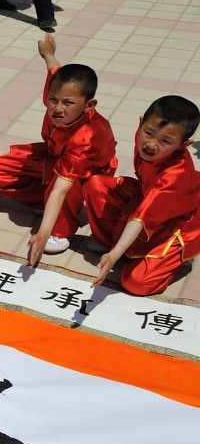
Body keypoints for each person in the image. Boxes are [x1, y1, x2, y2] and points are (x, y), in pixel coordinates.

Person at [0, 35, 116, 262]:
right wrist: (48, 54)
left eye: (68, 103)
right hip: (52, 156)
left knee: (63, 188)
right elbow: (54, 70)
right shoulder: (59, 93)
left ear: (89, 105)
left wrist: (42, 232)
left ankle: (61, 229)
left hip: (84, 174)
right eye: (53, 100)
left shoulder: (87, 137)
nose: (57, 109)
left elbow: (62, 186)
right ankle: (45, 203)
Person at [84, 96, 200, 297]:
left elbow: (140, 218)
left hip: (179, 223)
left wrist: (113, 256)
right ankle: (113, 245)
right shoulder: (144, 142)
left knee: (135, 282)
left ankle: (177, 262)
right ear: (140, 123)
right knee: (96, 185)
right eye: (148, 133)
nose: (151, 144)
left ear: (184, 144)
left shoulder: (175, 175)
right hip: (146, 198)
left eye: (166, 141)